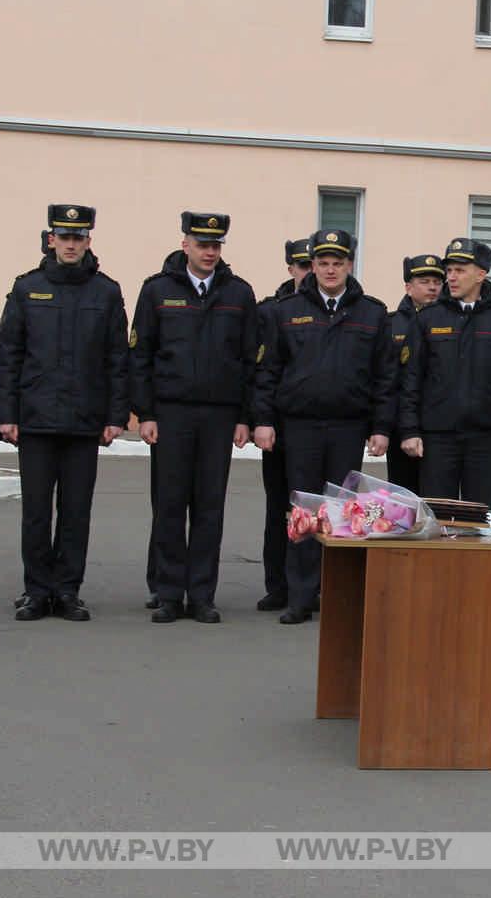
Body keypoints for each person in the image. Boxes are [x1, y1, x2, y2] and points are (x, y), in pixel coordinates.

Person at [0, 204, 130, 622]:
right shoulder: (26, 288)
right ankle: (36, 591)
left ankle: (68, 591)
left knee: (75, 512)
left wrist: (115, 416)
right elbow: (9, 356)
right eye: (64, 237)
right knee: (35, 511)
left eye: (79, 237)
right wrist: (6, 414)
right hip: (35, 420)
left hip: (84, 421)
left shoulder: (106, 291)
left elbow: (117, 359)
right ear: (51, 239)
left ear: (88, 241)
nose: (71, 244)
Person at [252, 227, 393, 625]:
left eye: (338, 262)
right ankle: (299, 595)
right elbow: (268, 371)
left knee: (345, 514)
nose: (330, 270)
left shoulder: (372, 313)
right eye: (323, 263)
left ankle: (339, 594)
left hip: (348, 426)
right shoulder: (286, 311)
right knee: (304, 512)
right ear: (311, 265)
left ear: (350, 265)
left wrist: (381, 427)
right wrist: (263, 420)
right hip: (300, 427)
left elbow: (384, 377)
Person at [130, 212, 256, 624]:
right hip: (171, 412)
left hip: (219, 415)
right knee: (168, 503)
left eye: (216, 245)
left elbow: (248, 361)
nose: (209, 252)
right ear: (185, 245)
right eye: (202, 244)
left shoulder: (239, 293)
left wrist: (243, 417)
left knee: (209, 506)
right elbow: (141, 355)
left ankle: (201, 594)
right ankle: (168, 593)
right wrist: (145, 412)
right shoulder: (157, 290)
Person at [399, 238, 491, 515]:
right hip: (438, 437)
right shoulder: (428, 319)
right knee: (436, 519)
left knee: (478, 519)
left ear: (481, 274)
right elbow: (412, 378)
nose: (451, 278)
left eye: (460, 270)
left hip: (485, 438)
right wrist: (410, 429)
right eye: (450, 271)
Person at [253, 238, 313, 612]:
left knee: (319, 510)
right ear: (290, 268)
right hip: (280, 427)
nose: (308, 273)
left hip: (319, 426)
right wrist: (261, 420)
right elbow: (262, 370)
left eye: (314, 265)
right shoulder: (270, 312)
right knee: (280, 508)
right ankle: (277, 585)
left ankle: (314, 585)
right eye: (302, 266)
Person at [384, 254, 445, 495]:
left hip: (438, 424)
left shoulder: (452, 322)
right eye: (424, 281)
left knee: (436, 498)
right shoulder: (390, 324)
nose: (432, 287)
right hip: (401, 424)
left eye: (437, 281)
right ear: (408, 287)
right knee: (402, 497)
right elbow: (386, 377)